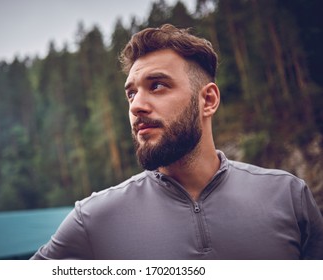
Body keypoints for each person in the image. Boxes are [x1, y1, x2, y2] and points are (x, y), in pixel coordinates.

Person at [31, 24, 323, 260]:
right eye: (131, 94)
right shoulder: (93, 219)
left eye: (157, 86)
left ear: (207, 100)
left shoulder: (289, 197)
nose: (136, 106)